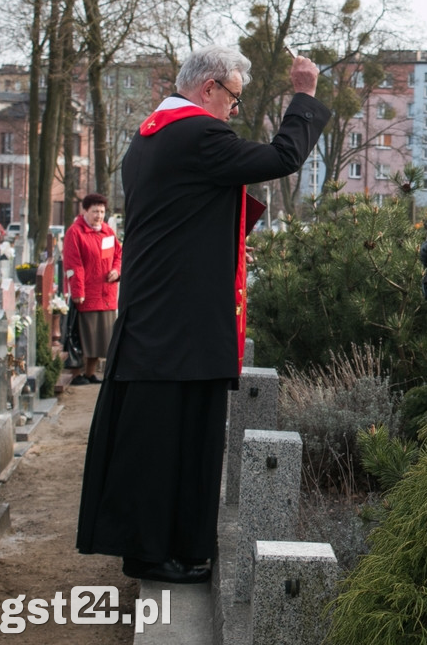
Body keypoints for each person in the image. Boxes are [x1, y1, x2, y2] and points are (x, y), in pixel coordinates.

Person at [76, 45, 330, 584]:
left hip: (160, 317)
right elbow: (281, 158)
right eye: (234, 100)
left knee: (161, 441)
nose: (234, 112)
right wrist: (303, 95)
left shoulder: (152, 134)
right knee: (173, 442)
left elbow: (185, 214)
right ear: (209, 87)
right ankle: (159, 553)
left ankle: (165, 547)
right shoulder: (196, 133)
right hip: (182, 326)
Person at [63, 193, 122, 385]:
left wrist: (116, 270)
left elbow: (118, 255)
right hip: (87, 294)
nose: (99, 215)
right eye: (95, 211)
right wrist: (78, 292)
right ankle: (76, 374)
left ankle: (90, 373)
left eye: (102, 211)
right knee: (84, 336)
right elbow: (74, 264)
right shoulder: (75, 232)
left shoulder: (108, 232)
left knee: (100, 338)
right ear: (85, 211)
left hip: (106, 293)